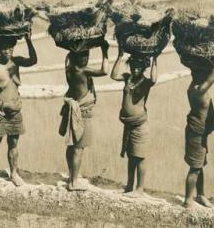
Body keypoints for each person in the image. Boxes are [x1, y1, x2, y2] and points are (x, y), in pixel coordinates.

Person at [0, 33, 37, 187]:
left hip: (14, 111)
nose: (7, 50)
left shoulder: (16, 62)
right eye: (4, 48)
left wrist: (28, 40)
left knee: (13, 143)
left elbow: (33, 60)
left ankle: (13, 173)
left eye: (10, 47)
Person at [59, 40, 109, 191]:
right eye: (82, 56)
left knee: (72, 146)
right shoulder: (82, 71)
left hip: (74, 109)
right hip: (82, 113)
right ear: (75, 58)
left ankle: (72, 175)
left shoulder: (70, 69)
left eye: (87, 55)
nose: (85, 59)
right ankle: (74, 182)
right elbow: (104, 71)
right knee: (78, 148)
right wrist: (105, 51)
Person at [111, 46, 157, 194]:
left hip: (140, 126)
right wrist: (119, 56)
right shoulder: (127, 78)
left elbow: (154, 79)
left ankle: (140, 188)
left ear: (143, 68)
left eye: (138, 67)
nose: (135, 69)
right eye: (133, 66)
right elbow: (113, 75)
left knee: (140, 157)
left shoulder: (145, 82)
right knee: (131, 157)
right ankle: (130, 185)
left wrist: (155, 60)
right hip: (129, 126)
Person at [182, 56, 214, 209]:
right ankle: (188, 200)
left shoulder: (197, 86)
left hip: (201, 132)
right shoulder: (198, 89)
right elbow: (212, 77)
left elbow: (209, 79)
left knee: (200, 164)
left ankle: (200, 195)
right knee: (195, 167)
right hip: (196, 132)